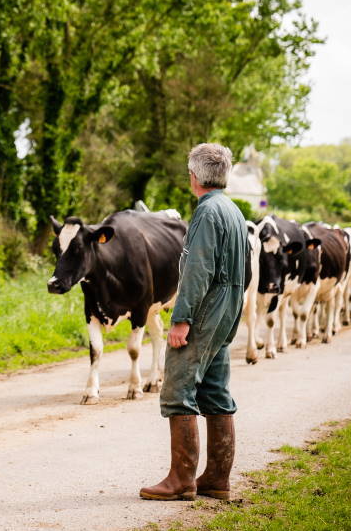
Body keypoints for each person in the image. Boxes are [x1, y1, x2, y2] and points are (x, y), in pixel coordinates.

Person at [140, 143, 246, 501]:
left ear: (194, 176)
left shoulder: (206, 212)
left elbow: (198, 270)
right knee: (215, 389)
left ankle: (181, 479)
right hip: (228, 306)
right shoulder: (232, 210)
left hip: (205, 307)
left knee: (178, 388)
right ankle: (217, 478)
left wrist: (182, 319)